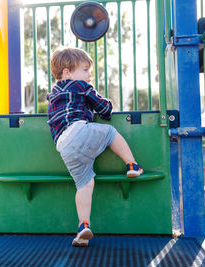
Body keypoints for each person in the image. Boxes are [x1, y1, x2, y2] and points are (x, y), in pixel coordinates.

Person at [47, 47, 143, 247]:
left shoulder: (53, 95)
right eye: (84, 69)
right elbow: (105, 109)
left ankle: (83, 226)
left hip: (64, 146)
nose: (89, 74)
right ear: (67, 72)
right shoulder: (81, 86)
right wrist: (103, 104)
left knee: (84, 184)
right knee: (109, 132)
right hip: (78, 131)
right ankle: (132, 165)